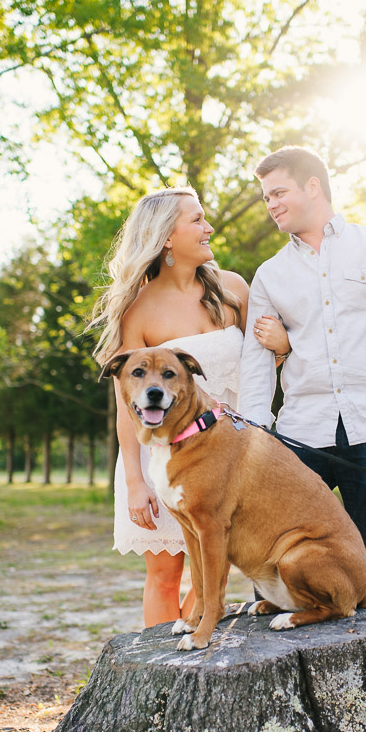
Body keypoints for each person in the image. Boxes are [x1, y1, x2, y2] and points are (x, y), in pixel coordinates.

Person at [239, 146, 366, 630]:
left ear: (313, 187)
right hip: (298, 438)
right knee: (270, 565)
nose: (272, 205)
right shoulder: (270, 274)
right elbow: (257, 360)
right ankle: (285, 690)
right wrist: (254, 434)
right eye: (266, 197)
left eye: (279, 192)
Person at [90, 186, 290, 628]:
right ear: (165, 237)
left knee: (213, 572)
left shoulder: (233, 289)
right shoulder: (138, 311)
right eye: (196, 220)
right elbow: (128, 406)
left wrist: (282, 347)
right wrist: (135, 481)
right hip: (161, 457)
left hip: (225, 459)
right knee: (165, 575)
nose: (209, 227)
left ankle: (192, 658)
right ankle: (160, 681)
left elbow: (262, 364)